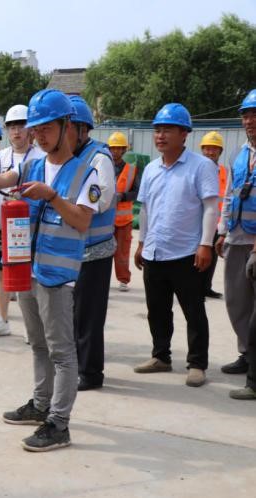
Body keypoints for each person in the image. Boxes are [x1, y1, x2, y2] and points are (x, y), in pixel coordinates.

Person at [0, 89, 98, 451]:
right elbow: (5, 181)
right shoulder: (33, 166)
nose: (39, 135)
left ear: (67, 125)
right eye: (36, 129)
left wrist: (51, 196)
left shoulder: (86, 172)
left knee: (61, 352)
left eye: (46, 128)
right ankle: (40, 405)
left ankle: (59, 424)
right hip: (28, 270)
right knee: (37, 344)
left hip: (57, 275)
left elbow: (82, 221)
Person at [133, 103, 219, 388]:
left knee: (194, 311)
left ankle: (197, 364)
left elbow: (211, 207)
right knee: (157, 310)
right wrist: (141, 243)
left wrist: (205, 245)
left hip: (186, 253)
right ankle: (161, 356)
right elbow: (146, 209)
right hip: (155, 252)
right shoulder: (151, 169)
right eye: (157, 130)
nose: (160, 135)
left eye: (167, 130)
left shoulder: (201, 166)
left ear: (184, 134)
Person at [0, 104, 45, 340]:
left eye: (21, 126)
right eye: (12, 127)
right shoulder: (0, 157)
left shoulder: (40, 157)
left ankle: (32, 326)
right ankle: (2, 320)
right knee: (1, 273)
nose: (16, 131)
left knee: (30, 274)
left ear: (30, 130)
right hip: (1, 225)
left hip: (29, 226)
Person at [67, 95, 117, 391]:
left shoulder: (99, 157)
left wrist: (68, 203)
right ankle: (76, 365)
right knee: (73, 313)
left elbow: (103, 198)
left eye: (67, 127)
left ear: (83, 129)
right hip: (72, 250)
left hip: (95, 250)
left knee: (88, 315)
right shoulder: (70, 157)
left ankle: (90, 373)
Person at [215, 89, 256, 388]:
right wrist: (222, 231)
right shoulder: (239, 154)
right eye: (246, 115)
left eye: (255, 115)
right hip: (237, 236)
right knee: (236, 300)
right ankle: (247, 352)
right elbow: (229, 194)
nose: (249, 121)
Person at [108, 132, 139, 292]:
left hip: (124, 220)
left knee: (122, 253)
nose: (115, 151)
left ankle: (123, 280)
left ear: (124, 150)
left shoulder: (132, 170)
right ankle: (102, 280)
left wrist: (123, 196)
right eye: (112, 148)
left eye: (118, 148)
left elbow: (137, 192)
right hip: (105, 219)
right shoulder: (102, 167)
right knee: (103, 252)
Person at [199, 131, 227, 299]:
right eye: (207, 148)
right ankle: (194, 288)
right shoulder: (196, 170)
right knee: (196, 255)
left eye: (214, 149)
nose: (210, 152)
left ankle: (206, 287)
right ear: (202, 150)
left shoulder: (224, 172)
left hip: (217, 223)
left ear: (220, 151)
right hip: (198, 221)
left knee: (212, 257)